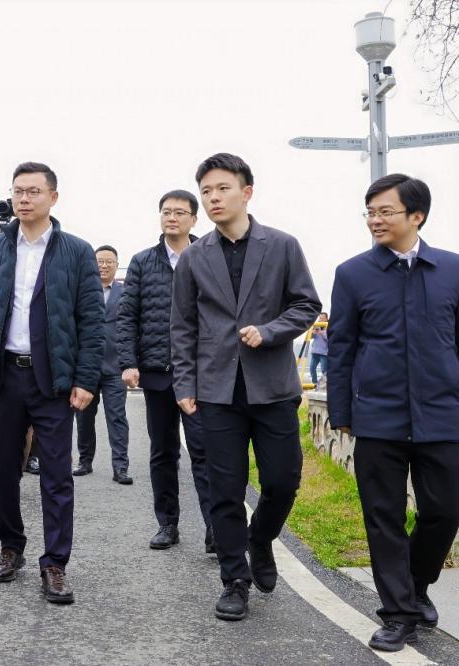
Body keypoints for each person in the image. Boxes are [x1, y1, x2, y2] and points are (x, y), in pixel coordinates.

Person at [171, 153, 320, 622]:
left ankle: (261, 538)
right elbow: (183, 326)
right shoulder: (194, 257)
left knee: (282, 480)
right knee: (225, 488)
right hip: (216, 391)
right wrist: (184, 382)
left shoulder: (282, 246)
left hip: (272, 386)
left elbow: (306, 305)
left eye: (222, 189)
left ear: (246, 192)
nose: (213, 198)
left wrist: (270, 331)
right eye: (206, 191)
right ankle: (235, 579)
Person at [0, 162, 104, 605]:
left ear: (53, 198)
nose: (24, 199)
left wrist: (85, 378)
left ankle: (55, 563)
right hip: (4, 374)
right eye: (18, 191)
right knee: (2, 468)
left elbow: (91, 321)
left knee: (56, 474)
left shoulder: (76, 251)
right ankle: (10, 547)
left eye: (34, 191)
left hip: (53, 380)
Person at [327, 174, 459, 652]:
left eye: (385, 211)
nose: (375, 220)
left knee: (444, 511)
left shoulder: (452, 270)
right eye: (370, 212)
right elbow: (341, 347)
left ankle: (416, 586)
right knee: (382, 517)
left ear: (416, 216)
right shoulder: (352, 274)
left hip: (443, 415)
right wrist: (341, 409)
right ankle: (398, 613)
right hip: (377, 417)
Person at [117, 190, 214, 552]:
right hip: (158, 372)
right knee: (163, 451)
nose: (171, 218)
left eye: (179, 212)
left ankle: (215, 528)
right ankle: (167, 524)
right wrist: (128, 362)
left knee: (205, 451)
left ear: (194, 219)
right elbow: (128, 315)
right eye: (166, 212)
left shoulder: (210, 255)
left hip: (201, 373)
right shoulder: (143, 261)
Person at [73, 245, 130, 483]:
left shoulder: (125, 293)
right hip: (87, 368)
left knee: (117, 417)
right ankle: (85, 461)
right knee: (83, 418)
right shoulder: (81, 291)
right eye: (100, 261)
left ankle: (121, 467)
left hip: (115, 366)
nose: (104, 266)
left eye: (109, 262)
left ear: (117, 265)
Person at [309, 313, 329, 386]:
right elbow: (311, 337)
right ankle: (315, 383)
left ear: (326, 319)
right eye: (320, 318)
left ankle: (326, 384)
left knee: (324, 370)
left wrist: (322, 333)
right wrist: (312, 333)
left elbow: (329, 339)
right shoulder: (316, 325)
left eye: (322, 318)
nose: (320, 319)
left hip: (324, 353)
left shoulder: (329, 327)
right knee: (312, 368)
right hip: (315, 351)